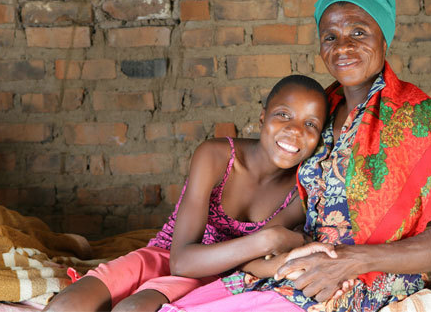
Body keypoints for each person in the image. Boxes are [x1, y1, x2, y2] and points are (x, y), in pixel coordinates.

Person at [157, 0, 431, 312]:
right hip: (303, 267)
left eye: (359, 32)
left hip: (370, 277)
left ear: (384, 38)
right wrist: (266, 253)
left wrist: (353, 260)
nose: (342, 47)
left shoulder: (418, 118)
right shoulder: (320, 113)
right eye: (330, 36)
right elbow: (297, 203)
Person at [43, 74, 329, 312]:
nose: (294, 131)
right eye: (283, 115)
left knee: (131, 309)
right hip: (167, 254)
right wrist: (270, 240)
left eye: (310, 124)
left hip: (217, 275)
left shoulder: (300, 190)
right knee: (65, 306)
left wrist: (274, 250)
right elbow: (180, 260)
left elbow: (249, 264)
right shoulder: (217, 156)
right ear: (263, 116)